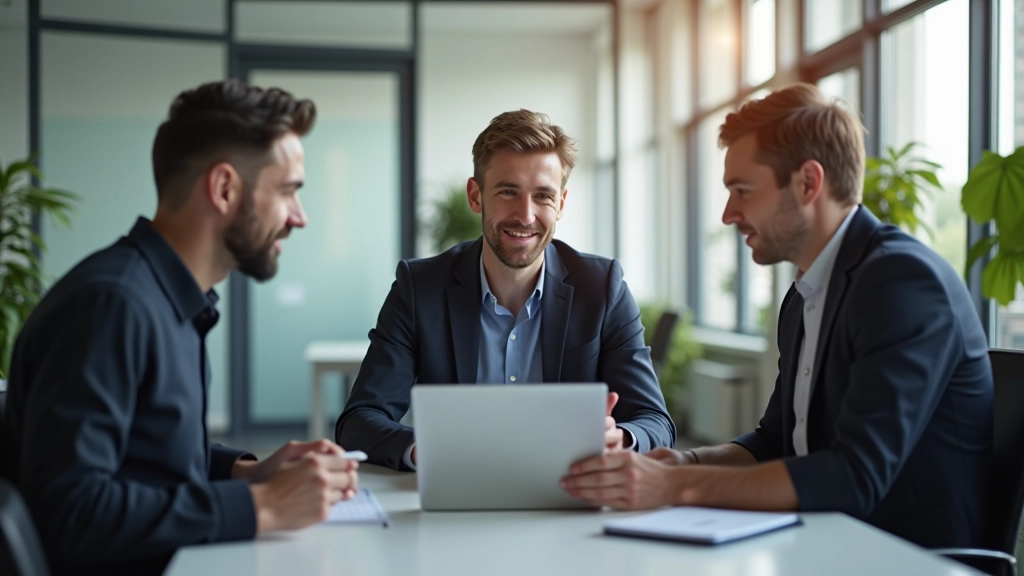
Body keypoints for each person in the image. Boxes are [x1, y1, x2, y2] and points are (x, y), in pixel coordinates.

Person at [560, 83, 992, 550]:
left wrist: (672, 489)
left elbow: (854, 477)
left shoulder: (902, 284)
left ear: (808, 182)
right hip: (827, 545)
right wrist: (682, 465)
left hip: (906, 557)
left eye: (742, 191)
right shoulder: (806, 294)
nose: (728, 214)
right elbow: (774, 441)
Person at [0, 80, 359, 575]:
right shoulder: (112, 306)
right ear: (225, 188)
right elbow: (69, 513)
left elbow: (145, 451)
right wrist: (263, 506)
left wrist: (249, 473)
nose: (300, 217)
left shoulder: (168, 300)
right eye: (288, 191)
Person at [336, 109, 675, 470]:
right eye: (508, 192)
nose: (525, 215)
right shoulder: (421, 289)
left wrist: (619, 438)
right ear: (476, 195)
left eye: (543, 195)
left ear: (560, 203)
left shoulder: (602, 288)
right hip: (457, 496)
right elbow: (359, 421)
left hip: (569, 499)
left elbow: (655, 422)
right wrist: (431, 449)